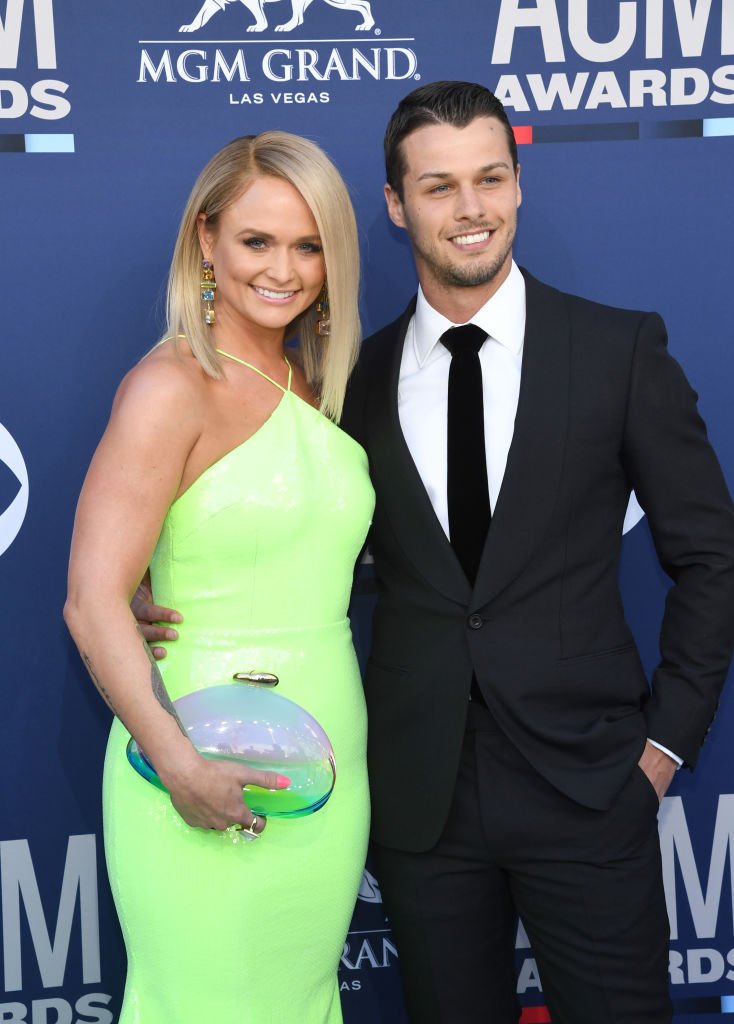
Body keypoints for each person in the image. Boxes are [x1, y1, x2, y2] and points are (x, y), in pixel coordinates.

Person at [135, 84, 734, 1023]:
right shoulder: (347, 380)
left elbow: (711, 557)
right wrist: (145, 580)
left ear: (518, 187)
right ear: (394, 204)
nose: (470, 209)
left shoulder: (616, 350)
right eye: (440, 185)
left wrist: (663, 749)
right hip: (417, 801)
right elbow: (266, 514)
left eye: (490, 178)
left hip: (590, 785)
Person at [64, 131, 374, 1023]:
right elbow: (92, 601)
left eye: (309, 245)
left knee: (300, 998)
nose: (285, 269)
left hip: (328, 764)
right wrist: (178, 764)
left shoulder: (309, 383)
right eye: (257, 241)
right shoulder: (173, 386)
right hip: (195, 757)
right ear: (206, 241)